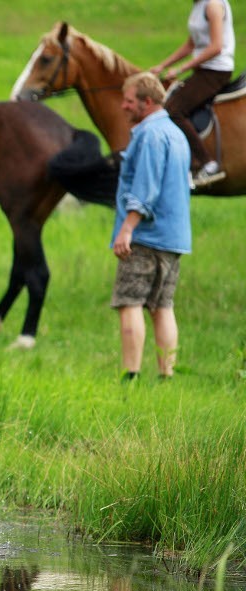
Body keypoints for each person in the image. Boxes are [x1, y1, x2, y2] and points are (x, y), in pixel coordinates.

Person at [110, 73, 192, 382]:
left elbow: (146, 188)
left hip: (145, 236)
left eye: (129, 101)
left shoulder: (149, 136)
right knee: (162, 306)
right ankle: (166, 377)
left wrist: (127, 228)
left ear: (147, 102)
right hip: (174, 237)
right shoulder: (176, 133)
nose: (123, 106)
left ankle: (130, 376)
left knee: (129, 303)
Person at [149, 0, 235, 188]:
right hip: (203, 70)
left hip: (216, 71)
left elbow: (216, 46)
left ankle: (206, 163)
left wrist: (181, 69)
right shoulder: (197, 6)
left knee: (174, 110)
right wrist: (163, 66)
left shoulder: (212, 5)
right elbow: (190, 45)